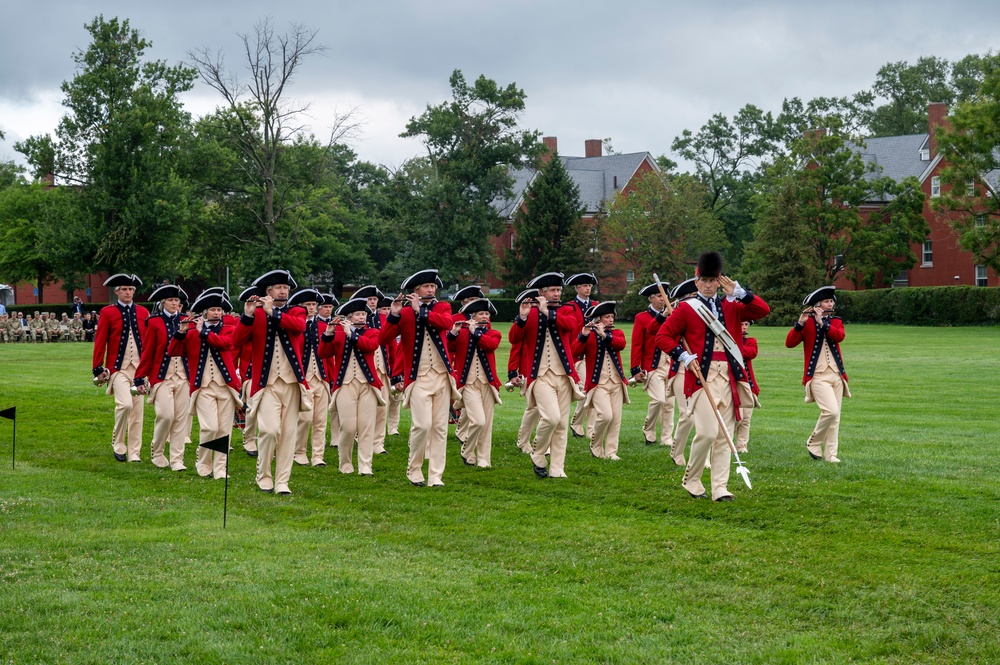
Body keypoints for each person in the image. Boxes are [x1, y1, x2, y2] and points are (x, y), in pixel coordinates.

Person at [655, 252, 769, 502]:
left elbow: (763, 310)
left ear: (719, 281)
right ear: (696, 282)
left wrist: (741, 292)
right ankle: (692, 478)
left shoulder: (732, 306)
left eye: (712, 280)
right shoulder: (686, 309)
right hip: (700, 378)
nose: (708, 284)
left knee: (724, 436)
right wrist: (683, 356)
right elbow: (662, 337)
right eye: (704, 280)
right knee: (707, 433)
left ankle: (720, 487)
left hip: (729, 378)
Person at [379, 269, 457, 487]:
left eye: (433, 286)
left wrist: (421, 310)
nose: (431, 290)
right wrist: (393, 315)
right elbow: (382, 339)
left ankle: (435, 475)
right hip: (418, 377)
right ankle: (414, 469)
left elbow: (445, 323)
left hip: (441, 376)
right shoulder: (404, 313)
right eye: (426, 287)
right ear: (416, 290)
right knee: (422, 426)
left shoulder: (443, 307)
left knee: (440, 427)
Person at [233, 269, 309, 495]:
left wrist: (273, 313)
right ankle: (263, 474)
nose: (283, 291)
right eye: (278, 288)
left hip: (292, 383)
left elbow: (298, 327)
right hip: (266, 385)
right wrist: (247, 314)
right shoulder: (255, 314)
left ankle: (282, 481)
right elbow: (235, 341)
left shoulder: (297, 311)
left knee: (288, 434)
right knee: (269, 430)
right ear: (268, 291)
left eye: (285, 288)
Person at [511, 272, 583, 479]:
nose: (556, 294)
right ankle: (538, 451)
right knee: (551, 418)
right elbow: (515, 338)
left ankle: (557, 468)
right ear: (541, 292)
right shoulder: (530, 312)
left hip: (564, 375)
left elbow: (570, 326)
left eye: (559, 290)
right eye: (552, 290)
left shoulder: (568, 310)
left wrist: (548, 313)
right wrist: (522, 317)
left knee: (561, 425)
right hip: (540, 376)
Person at [170, 290, 242, 479]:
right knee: (209, 428)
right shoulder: (193, 332)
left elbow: (225, 344)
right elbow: (173, 351)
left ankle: (220, 468)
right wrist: (181, 332)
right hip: (203, 387)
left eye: (219, 310)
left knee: (223, 430)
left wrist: (204, 332)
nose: (217, 313)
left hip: (226, 387)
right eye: (212, 310)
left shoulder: (229, 329)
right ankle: (203, 462)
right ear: (205, 312)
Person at [319, 297, 383, 475]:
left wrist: (351, 334)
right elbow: (323, 353)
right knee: (347, 427)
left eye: (363, 314)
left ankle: (365, 465)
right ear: (349, 317)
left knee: (366, 426)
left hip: (368, 385)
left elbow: (370, 346)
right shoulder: (339, 334)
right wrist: (329, 332)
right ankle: (345, 462)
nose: (362, 317)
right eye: (358, 314)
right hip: (345, 384)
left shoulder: (372, 332)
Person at [786, 286, 850, 463]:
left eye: (831, 301)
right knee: (830, 411)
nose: (830, 304)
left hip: (837, 374)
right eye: (826, 301)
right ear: (817, 305)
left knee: (836, 417)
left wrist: (824, 323)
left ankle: (831, 455)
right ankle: (813, 442)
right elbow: (789, 343)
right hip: (817, 376)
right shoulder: (806, 323)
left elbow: (839, 336)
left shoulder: (835, 321)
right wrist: (800, 323)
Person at [92, 273, 149, 462]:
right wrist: (97, 368)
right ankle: (118, 443)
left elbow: (148, 343)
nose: (128, 292)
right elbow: (100, 341)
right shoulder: (108, 312)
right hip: (117, 369)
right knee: (125, 405)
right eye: (124, 289)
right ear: (116, 291)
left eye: (131, 289)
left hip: (139, 370)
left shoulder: (143, 312)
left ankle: (134, 452)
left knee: (138, 414)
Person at [134, 284, 191, 470]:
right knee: (166, 415)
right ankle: (157, 451)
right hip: (162, 377)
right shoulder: (154, 322)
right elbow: (147, 351)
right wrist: (139, 377)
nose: (174, 303)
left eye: (177, 300)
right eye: (171, 300)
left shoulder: (186, 320)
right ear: (163, 303)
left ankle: (177, 459)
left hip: (183, 376)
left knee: (181, 419)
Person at [447, 298, 502, 468]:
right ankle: (467, 449)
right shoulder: (462, 333)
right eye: (481, 314)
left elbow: (489, 346)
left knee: (487, 425)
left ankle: (484, 459)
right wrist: (454, 332)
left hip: (488, 384)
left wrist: (475, 332)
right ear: (473, 316)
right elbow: (448, 347)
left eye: (487, 314)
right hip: (469, 384)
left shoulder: (493, 333)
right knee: (478, 421)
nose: (485, 317)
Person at [575, 302, 629, 460]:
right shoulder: (589, 335)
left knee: (616, 419)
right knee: (606, 416)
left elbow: (620, 345)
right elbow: (575, 352)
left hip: (617, 382)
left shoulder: (617, 333)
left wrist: (605, 335)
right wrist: (583, 335)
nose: (611, 320)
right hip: (598, 384)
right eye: (607, 317)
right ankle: (595, 444)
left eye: (612, 316)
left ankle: (611, 451)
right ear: (599, 319)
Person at [288, 288, 331, 468]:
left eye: (314, 304)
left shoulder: (323, 326)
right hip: (303, 378)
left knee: (320, 420)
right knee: (304, 418)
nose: (312, 308)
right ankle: (299, 452)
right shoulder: (294, 326)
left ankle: (318, 455)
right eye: (308, 305)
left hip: (321, 378)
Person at [630, 281, 674, 450]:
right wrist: (635, 369)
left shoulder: (672, 314)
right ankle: (648, 429)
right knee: (659, 399)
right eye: (658, 296)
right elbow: (636, 344)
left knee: (669, 404)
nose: (663, 299)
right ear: (651, 298)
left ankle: (666, 437)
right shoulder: (641, 317)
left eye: (664, 296)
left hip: (670, 364)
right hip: (652, 366)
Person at [353, 285, 393, 455]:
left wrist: (393, 369)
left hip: (381, 369)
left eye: (375, 300)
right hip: (361, 370)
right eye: (369, 300)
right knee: (359, 408)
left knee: (382, 408)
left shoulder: (385, 318)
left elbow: (392, 343)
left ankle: (378, 443)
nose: (373, 303)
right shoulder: (356, 318)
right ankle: (358, 434)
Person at [563, 273, 598, 438]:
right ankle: (576, 422)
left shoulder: (597, 305)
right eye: (584, 286)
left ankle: (589, 428)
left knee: (594, 391)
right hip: (576, 354)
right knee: (585, 389)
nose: (588, 288)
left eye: (589, 286)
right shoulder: (570, 307)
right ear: (577, 288)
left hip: (593, 354)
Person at [508, 288, 540, 454]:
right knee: (534, 408)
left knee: (549, 411)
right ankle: (524, 440)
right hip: (529, 371)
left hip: (549, 371)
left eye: (535, 302)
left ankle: (543, 443)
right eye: (530, 303)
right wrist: (513, 372)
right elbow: (515, 346)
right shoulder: (524, 321)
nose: (533, 306)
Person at [734, 321, 761, 454]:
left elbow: (751, 353)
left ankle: (742, 446)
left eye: (746, 325)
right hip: (733, 383)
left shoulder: (751, 341)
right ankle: (726, 442)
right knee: (736, 418)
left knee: (746, 418)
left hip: (749, 384)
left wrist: (734, 345)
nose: (744, 327)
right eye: (741, 324)